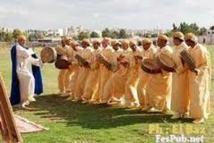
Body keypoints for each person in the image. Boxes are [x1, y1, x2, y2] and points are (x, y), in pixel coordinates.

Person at [185, 33, 211, 124]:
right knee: (193, 96)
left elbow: (205, 64)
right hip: (191, 76)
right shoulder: (189, 49)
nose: (185, 42)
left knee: (200, 95)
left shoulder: (201, 49)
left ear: (191, 41)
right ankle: (194, 114)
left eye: (186, 41)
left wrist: (198, 70)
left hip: (200, 77)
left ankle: (201, 116)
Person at [10, 35, 43, 107]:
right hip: (19, 69)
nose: (24, 42)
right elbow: (27, 54)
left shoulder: (24, 48)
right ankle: (22, 100)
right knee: (27, 80)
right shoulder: (17, 48)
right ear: (19, 41)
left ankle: (29, 97)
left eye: (25, 40)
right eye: (22, 40)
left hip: (24, 69)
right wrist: (31, 50)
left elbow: (31, 59)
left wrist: (41, 60)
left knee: (32, 79)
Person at [145, 35, 173, 112]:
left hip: (164, 74)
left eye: (159, 41)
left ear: (164, 42)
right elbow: (154, 59)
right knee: (149, 88)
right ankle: (151, 105)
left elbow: (169, 63)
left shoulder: (168, 50)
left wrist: (161, 69)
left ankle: (165, 108)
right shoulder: (158, 49)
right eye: (157, 40)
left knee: (165, 92)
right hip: (156, 73)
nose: (157, 42)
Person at [171, 32, 190, 119]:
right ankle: (178, 111)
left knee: (183, 93)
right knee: (176, 92)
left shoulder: (185, 48)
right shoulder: (175, 48)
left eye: (174, 39)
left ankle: (185, 111)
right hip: (176, 73)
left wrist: (179, 70)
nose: (173, 41)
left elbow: (187, 63)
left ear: (178, 39)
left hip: (183, 74)